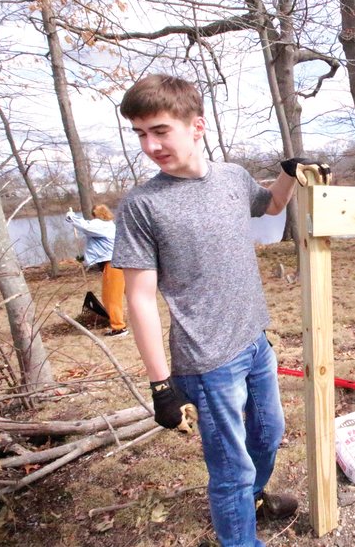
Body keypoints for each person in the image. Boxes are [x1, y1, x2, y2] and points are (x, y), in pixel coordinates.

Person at [113, 74, 325, 547]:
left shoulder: (231, 177)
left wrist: (289, 173)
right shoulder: (142, 206)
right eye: (141, 135)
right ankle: (241, 538)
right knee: (229, 469)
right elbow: (140, 298)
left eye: (160, 131)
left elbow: (270, 206)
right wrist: (160, 384)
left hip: (254, 340)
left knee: (269, 436)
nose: (150, 146)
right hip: (207, 361)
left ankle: (251, 500)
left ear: (197, 126)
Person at [66, 204, 128, 337]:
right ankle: (137, 319)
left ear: (96, 214)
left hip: (114, 265)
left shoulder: (102, 225)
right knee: (131, 294)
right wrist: (85, 257)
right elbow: (99, 247)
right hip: (116, 263)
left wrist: (72, 218)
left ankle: (119, 328)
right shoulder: (107, 226)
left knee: (111, 298)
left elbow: (85, 226)